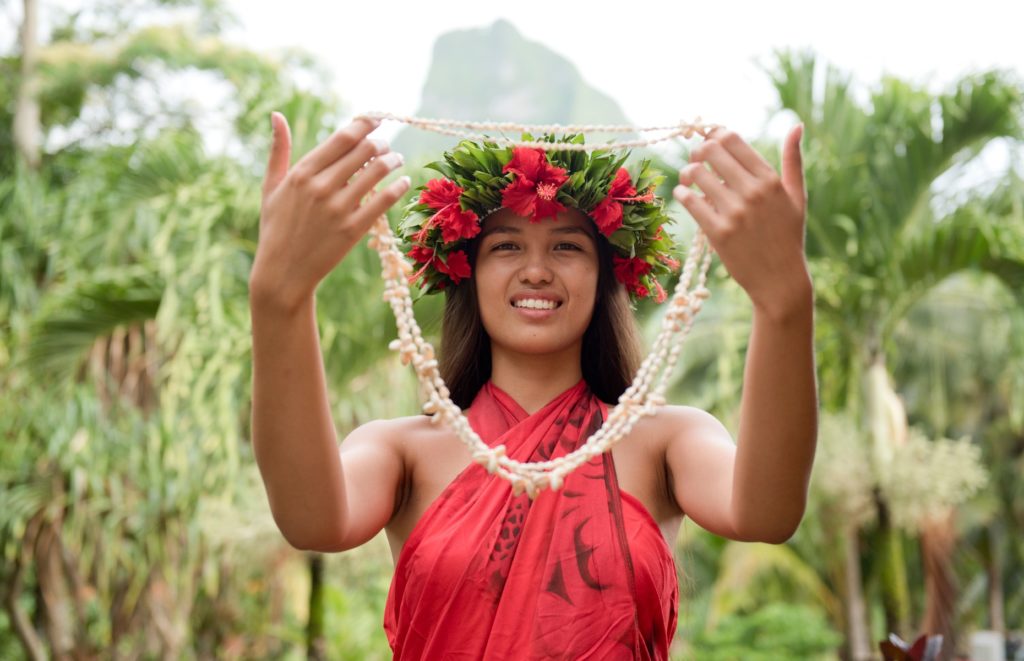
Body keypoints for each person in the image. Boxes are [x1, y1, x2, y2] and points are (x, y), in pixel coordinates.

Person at [249, 113, 818, 660]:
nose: (537, 270)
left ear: (606, 276)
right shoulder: (402, 451)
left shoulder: (668, 440)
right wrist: (279, 299)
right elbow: (311, 520)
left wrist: (785, 303)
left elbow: (766, 514)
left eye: (567, 246)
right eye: (506, 246)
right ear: (466, 273)